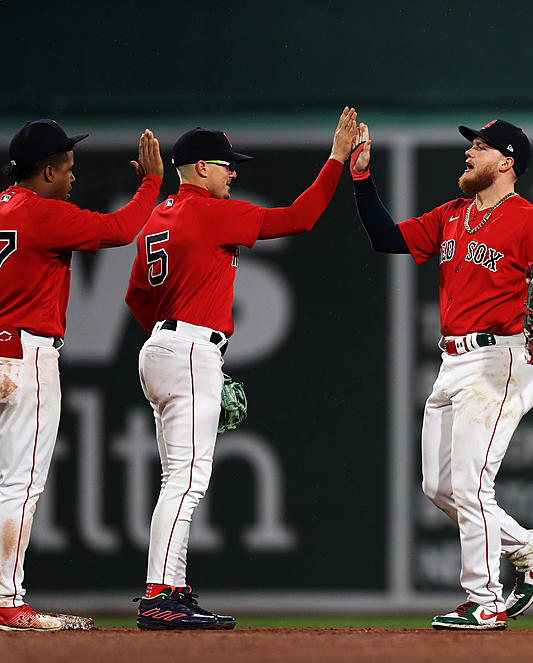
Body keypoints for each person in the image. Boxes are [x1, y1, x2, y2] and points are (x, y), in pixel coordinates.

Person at [350, 118, 533, 630]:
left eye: (480, 147)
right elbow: (387, 239)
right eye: (470, 146)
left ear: (507, 163)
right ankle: (532, 551)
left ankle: (485, 599)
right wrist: (362, 180)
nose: (469, 153)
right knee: (438, 486)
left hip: (500, 359)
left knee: (471, 485)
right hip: (452, 360)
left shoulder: (530, 221)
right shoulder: (452, 215)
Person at [126, 108, 357, 630]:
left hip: (162, 346)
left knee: (176, 477)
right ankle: (160, 594)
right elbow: (300, 217)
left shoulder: (158, 216)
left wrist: (174, 342)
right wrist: (337, 159)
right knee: (186, 481)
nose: (234, 173)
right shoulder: (211, 213)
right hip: (188, 351)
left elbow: (137, 298)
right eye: (226, 165)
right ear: (201, 168)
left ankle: (175, 588)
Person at [0, 120, 163, 631]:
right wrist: (152, 184)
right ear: (46, 170)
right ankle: (7, 599)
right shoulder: (42, 213)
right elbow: (118, 231)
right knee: (19, 483)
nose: (73, 176)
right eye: (67, 167)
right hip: (25, 357)